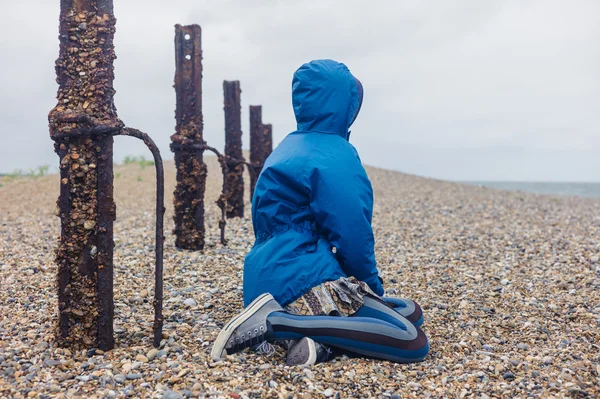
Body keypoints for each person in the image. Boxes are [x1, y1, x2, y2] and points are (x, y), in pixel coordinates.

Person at [211, 59, 429, 366]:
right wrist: (370, 286)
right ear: (344, 105)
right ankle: (278, 324)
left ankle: (315, 343)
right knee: (411, 339)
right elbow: (353, 233)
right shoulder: (334, 154)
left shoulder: (288, 147)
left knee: (409, 310)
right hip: (302, 278)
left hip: (267, 276)